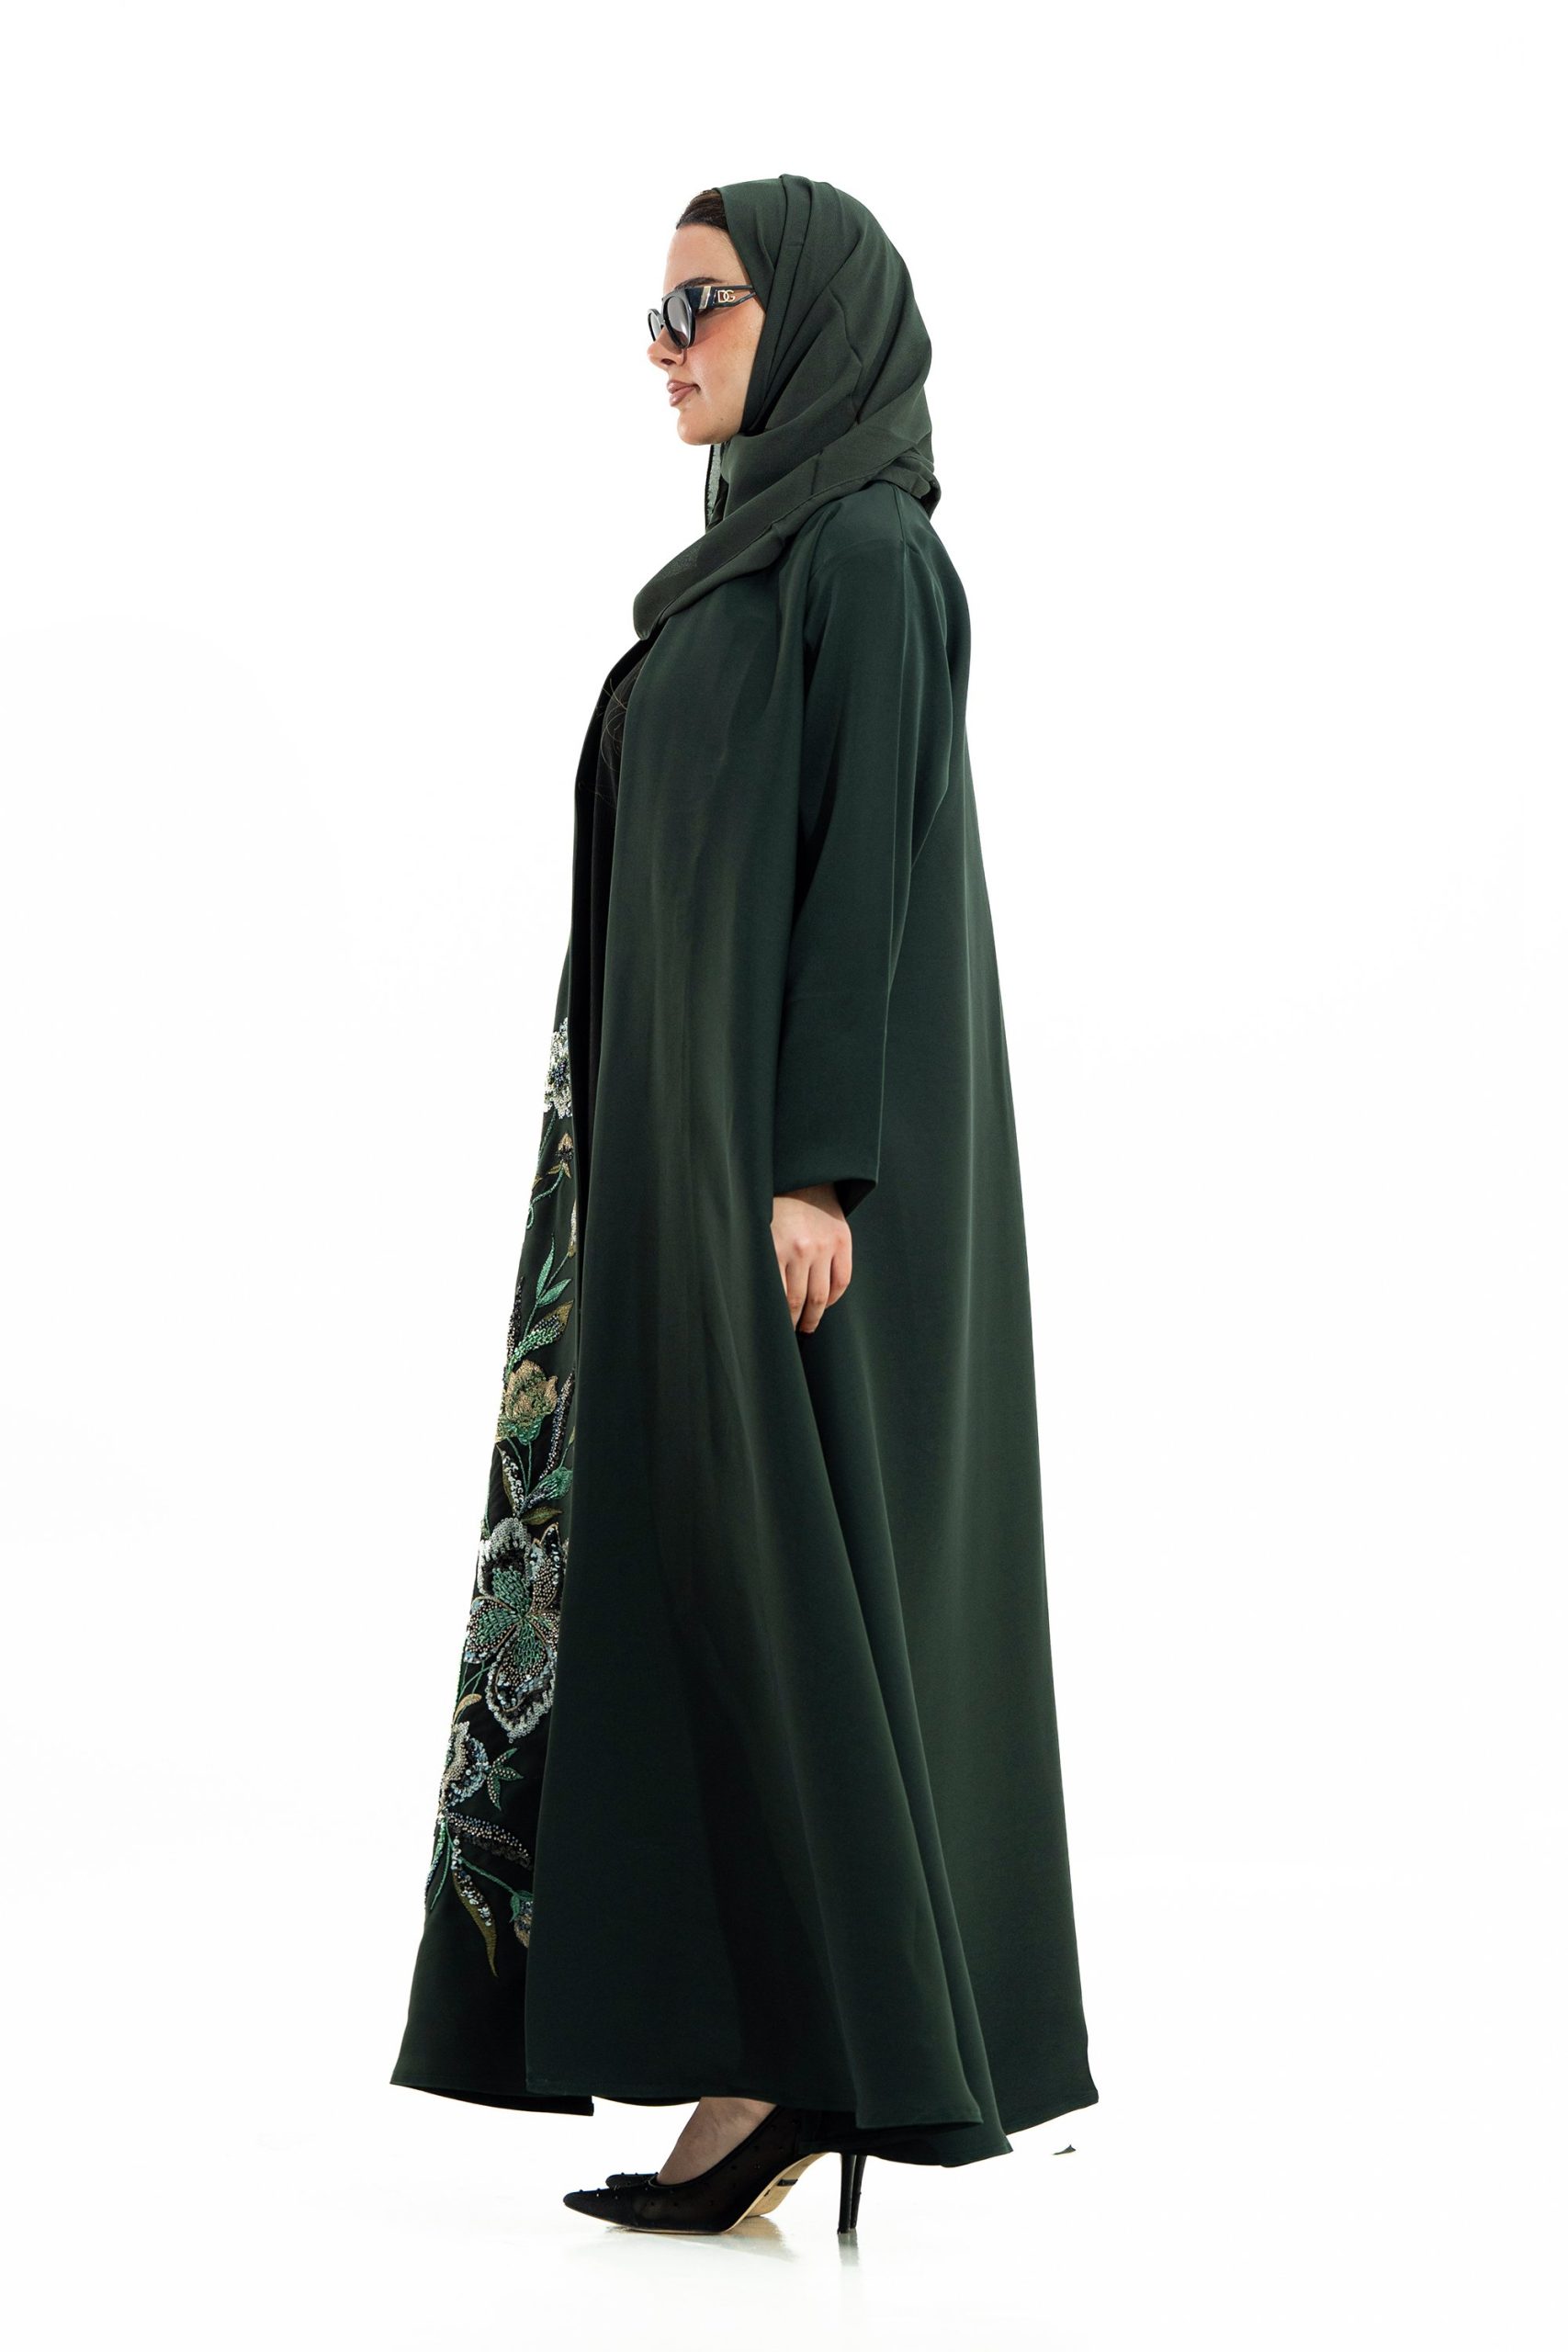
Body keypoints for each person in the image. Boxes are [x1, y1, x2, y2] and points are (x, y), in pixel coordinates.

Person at [389, 174, 1100, 2238]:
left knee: (799, 1600)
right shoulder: (738, 572)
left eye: (701, 303)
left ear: (817, 320)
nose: (664, 343)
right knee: (694, 1591)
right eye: (655, 306)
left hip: (795, 1205)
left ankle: (832, 2055)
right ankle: (760, 2052)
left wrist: (812, 1168)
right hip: (677, 1182)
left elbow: (873, 874)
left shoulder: (871, 559)